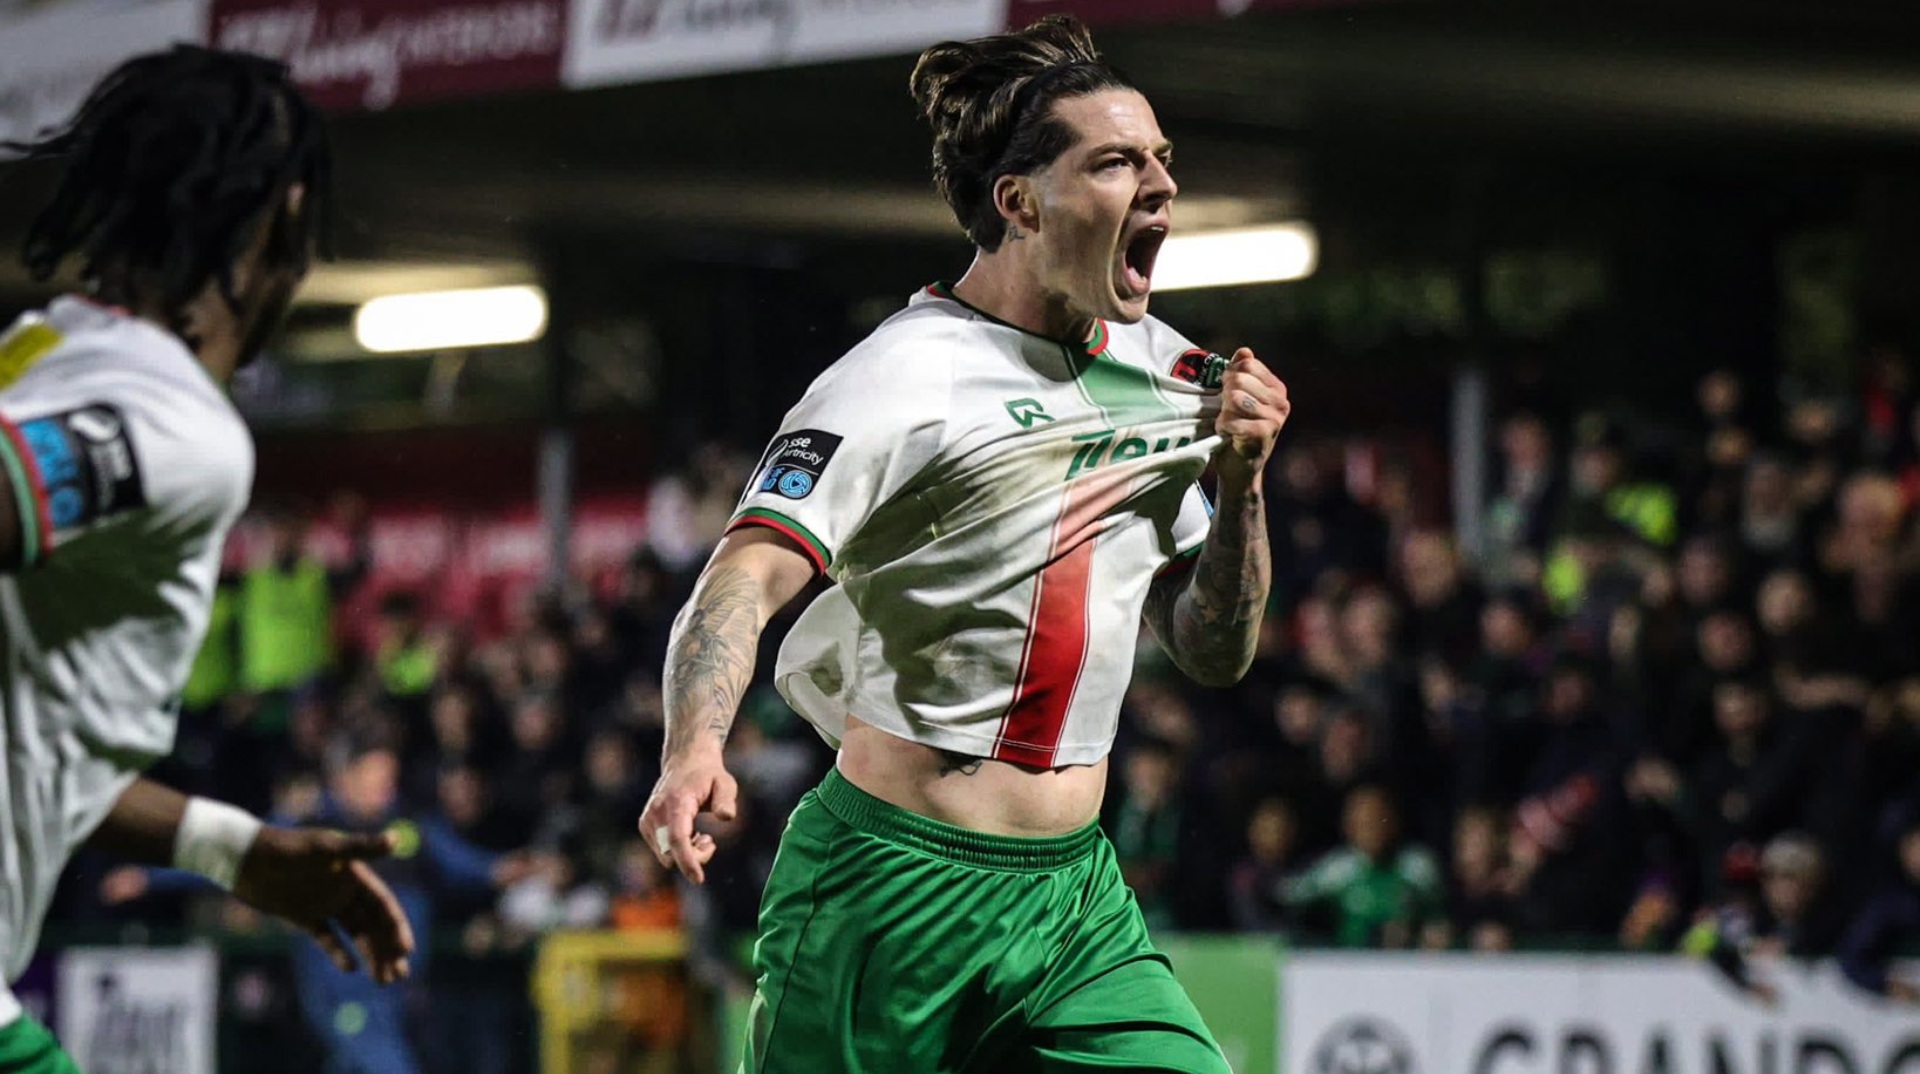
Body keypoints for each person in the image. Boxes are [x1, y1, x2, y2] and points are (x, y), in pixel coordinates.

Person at [638, 16, 1288, 1073]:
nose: (1161, 183)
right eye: (1117, 161)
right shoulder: (901, 377)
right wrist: (692, 746)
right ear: (1020, 202)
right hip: (887, 891)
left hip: (1075, 902)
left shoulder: (1176, 379)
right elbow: (744, 575)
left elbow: (1214, 651)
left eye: (1163, 157)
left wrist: (1243, 483)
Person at [0, 45, 412, 1071]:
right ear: (286, 217)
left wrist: (233, 850)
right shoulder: (174, 424)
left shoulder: (41, 352)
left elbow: (41, 758)